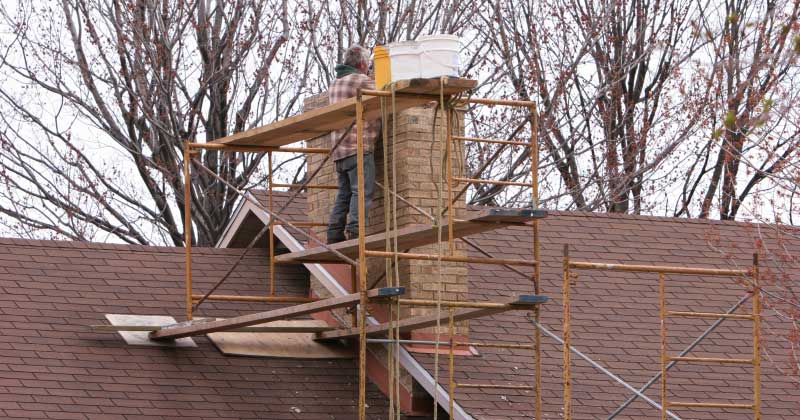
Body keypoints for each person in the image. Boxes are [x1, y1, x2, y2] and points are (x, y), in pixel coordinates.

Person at [326, 45, 381, 244]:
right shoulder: (361, 80)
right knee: (362, 191)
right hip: (358, 146)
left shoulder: (335, 83)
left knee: (345, 192)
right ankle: (356, 230)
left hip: (339, 150)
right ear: (362, 64)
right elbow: (384, 94)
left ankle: (334, 232)